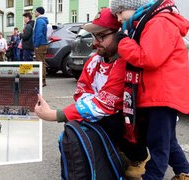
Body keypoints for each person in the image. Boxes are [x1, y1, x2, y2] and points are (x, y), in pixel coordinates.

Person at [35, 8, 150, 179]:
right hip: (106, 110)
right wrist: (84, 109)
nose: (95, 43)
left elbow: (105, 103)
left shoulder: (125, 63)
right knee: (84, 115)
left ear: (119, 34)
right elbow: (82, 90)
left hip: (133, 116)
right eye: (95, 37)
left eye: (101, 36)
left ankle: (140, 156)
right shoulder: (94, 60)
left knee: (112, 118)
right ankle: (112, 146)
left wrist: (54, 114)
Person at [110, 0, 189, 179]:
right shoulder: (151, 22)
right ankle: (184, 172)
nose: (118, 18)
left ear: (137, 6)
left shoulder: (159, 22)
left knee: (158, 141)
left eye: (120, 11)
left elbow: (149, 58)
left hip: (162, 93)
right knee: (166, 140)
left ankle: (153, 176)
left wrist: (124, 42)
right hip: (158, 93)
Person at [33, 7, 49, 87]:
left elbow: (38, 34)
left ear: (38, 12)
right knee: (42, 62)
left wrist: (36, 45)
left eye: (35, 11)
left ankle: (42, 80)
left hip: (40, 44)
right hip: (44, 43)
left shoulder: (39, 21)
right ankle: (43, 80)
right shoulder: (44, 20)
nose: (34, 13)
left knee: (40, 62)